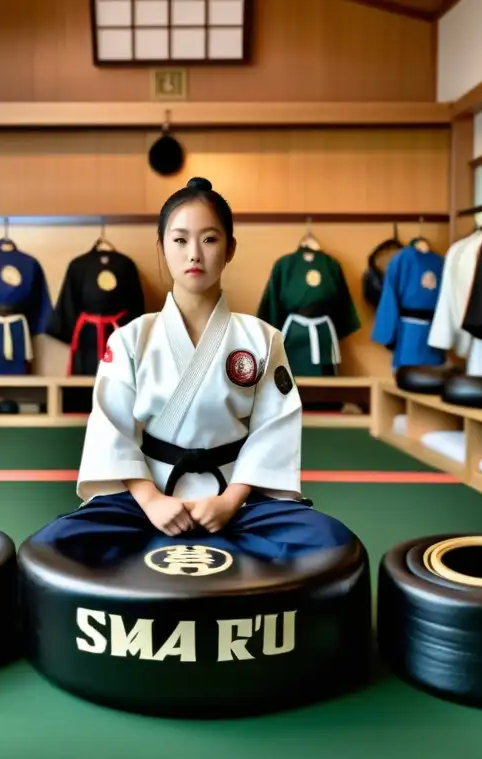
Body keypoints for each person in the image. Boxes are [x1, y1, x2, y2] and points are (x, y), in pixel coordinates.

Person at [28, 177, 357, 565]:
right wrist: (152, 501)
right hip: (147, 497)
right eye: (180, 240)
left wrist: (229, 501)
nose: (194, 255)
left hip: (239, 499)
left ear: (230, 248)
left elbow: (274, 429)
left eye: (210, 239)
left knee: (331, 543)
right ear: (162, 248)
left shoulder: (262, 338)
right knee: (55, 546)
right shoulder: (131, 338)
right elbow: (111, 429)